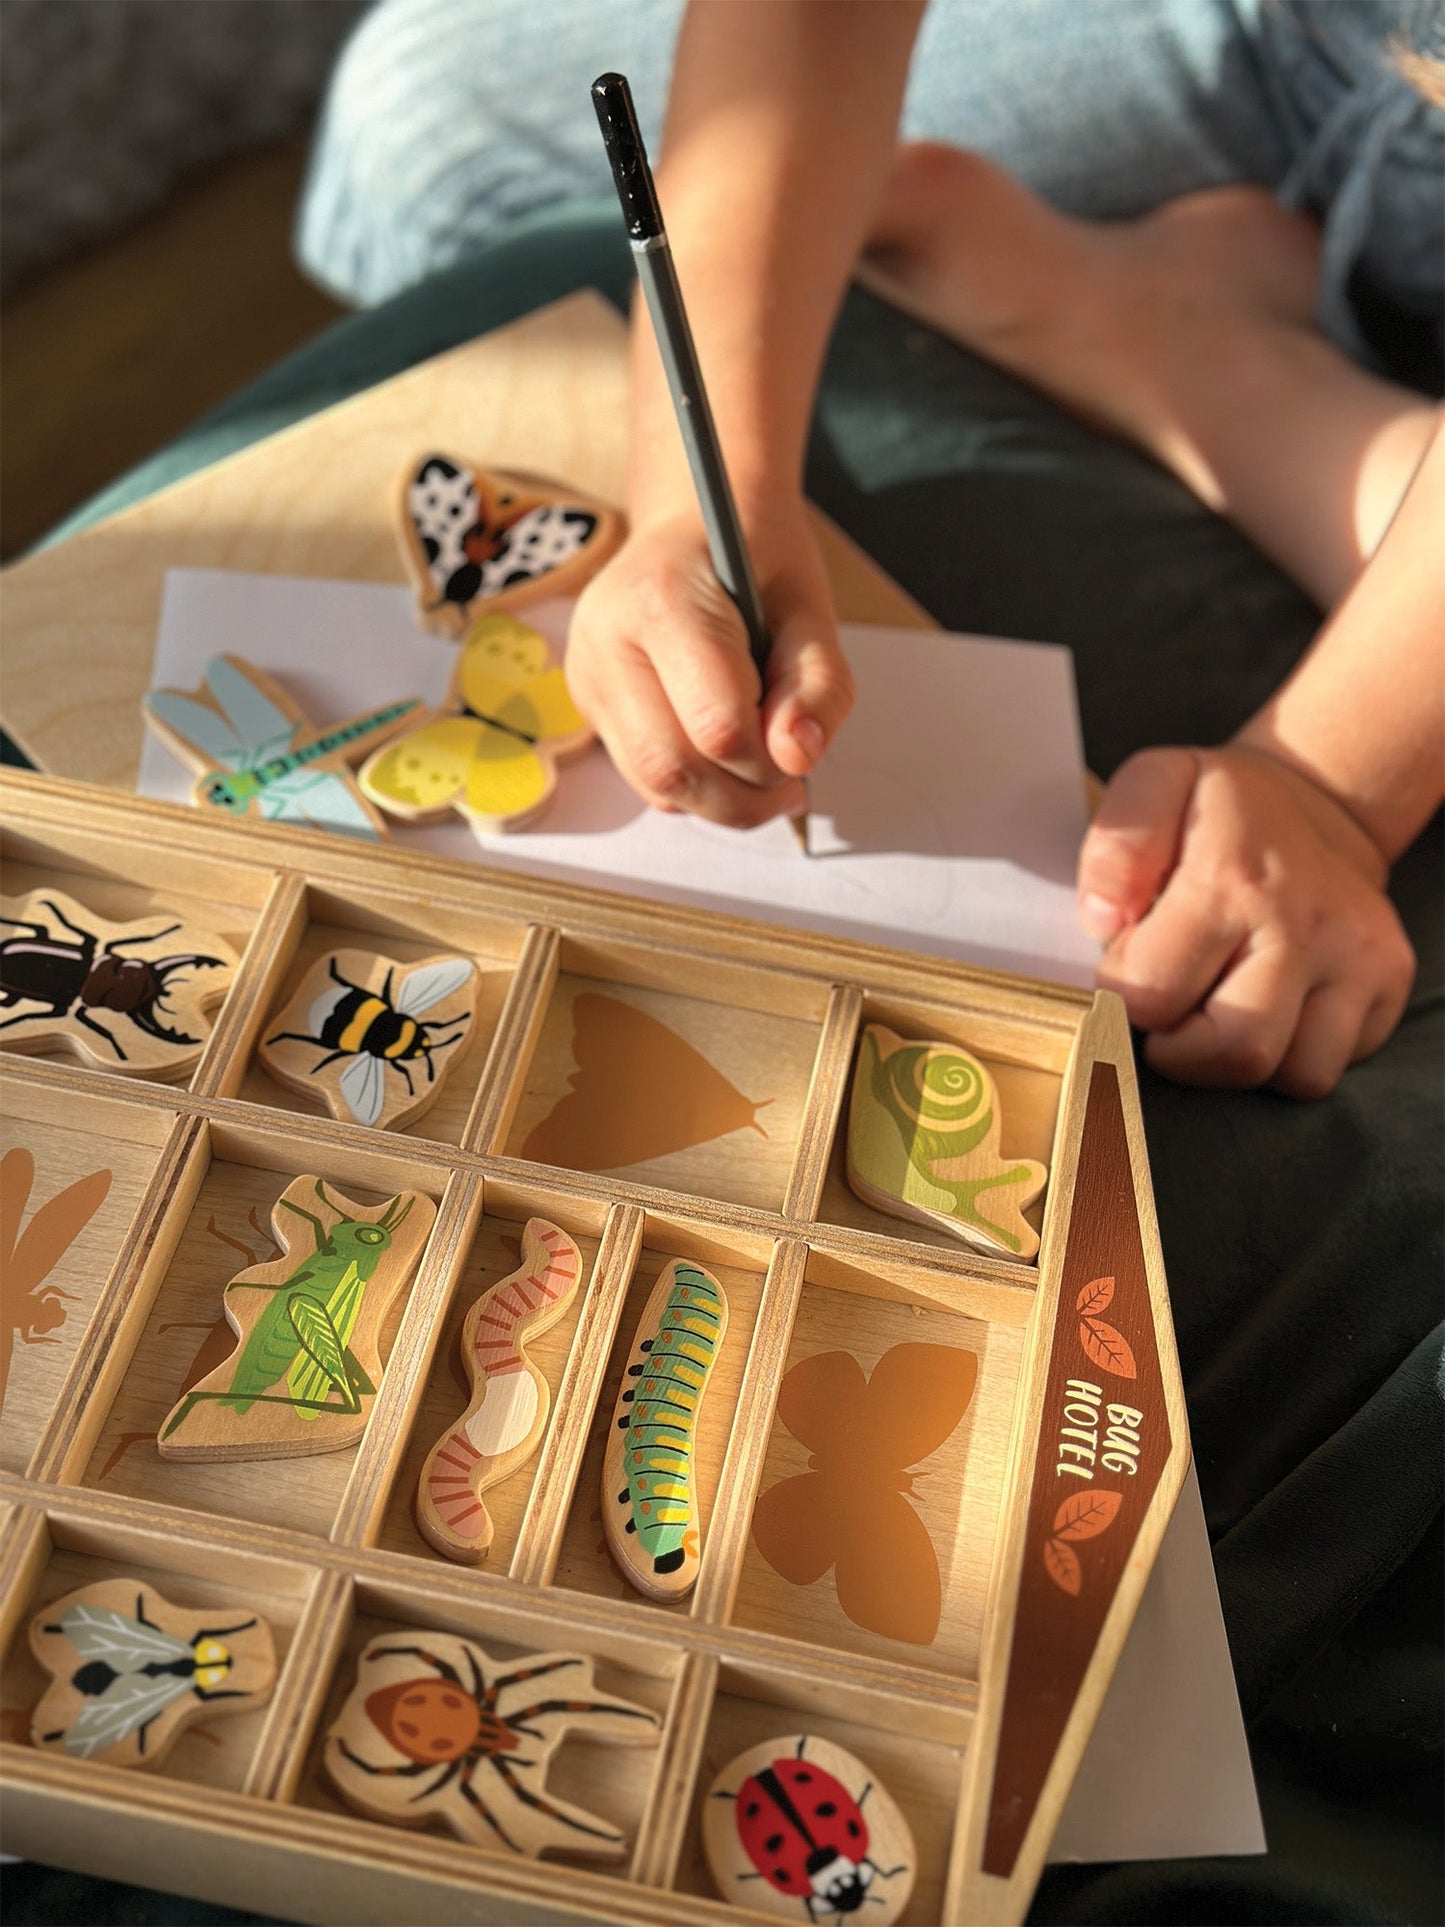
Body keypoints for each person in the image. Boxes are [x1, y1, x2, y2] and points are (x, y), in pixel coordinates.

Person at [300, 0, 1444, 1098]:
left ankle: (1172, 347)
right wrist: (700, 500)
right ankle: (1226, 336)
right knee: (425, 122)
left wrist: (1332, 790)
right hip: (1281, 35)